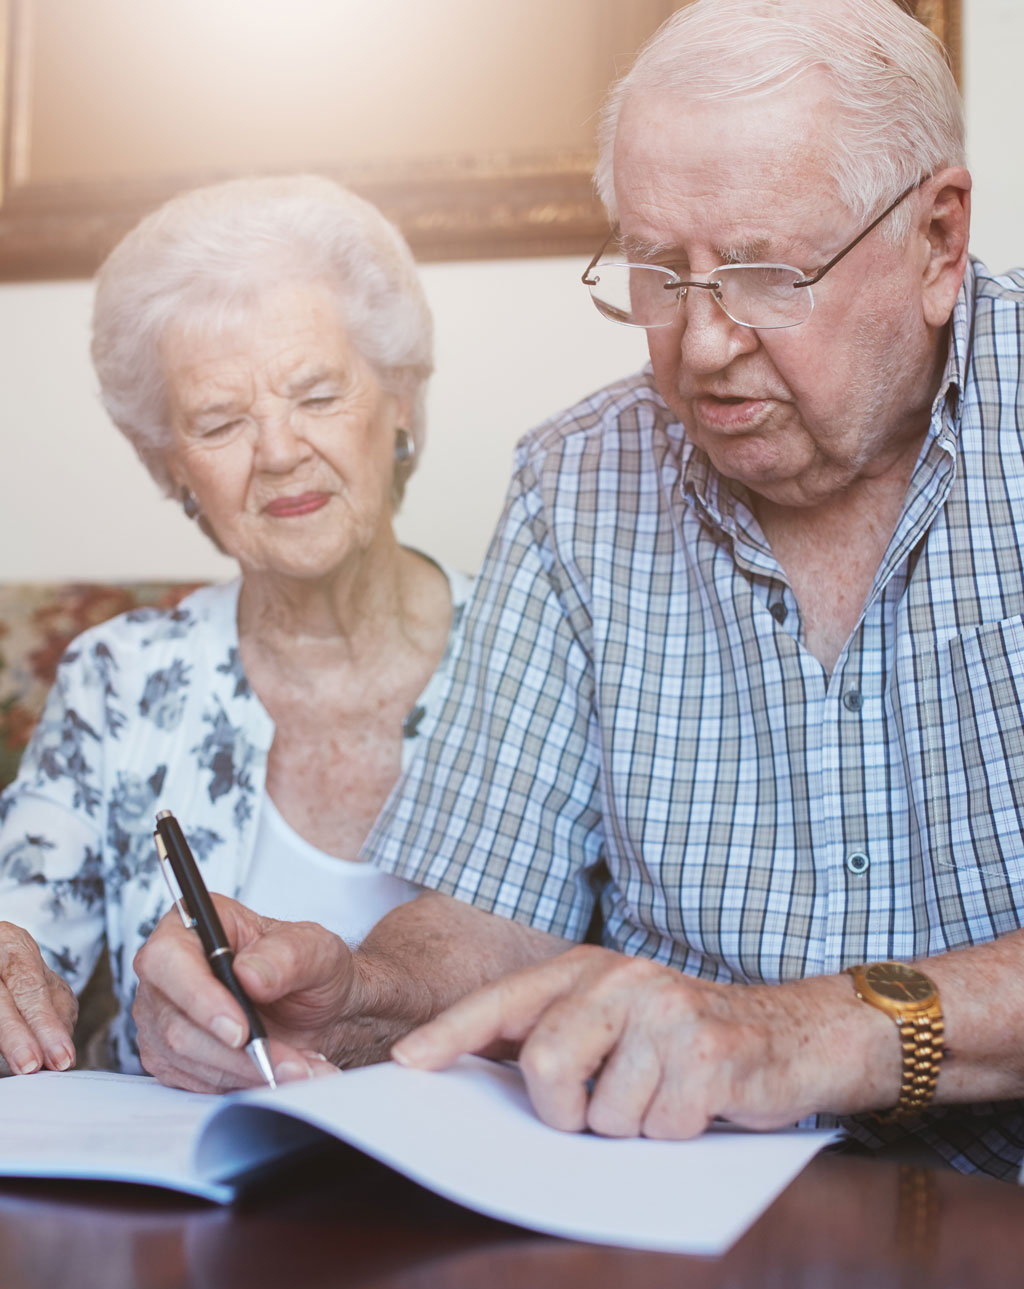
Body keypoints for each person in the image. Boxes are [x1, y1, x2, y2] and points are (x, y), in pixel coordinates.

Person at [133, 0, 1024, 1171]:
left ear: (938, 240)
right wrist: (349, 993)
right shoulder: (577, 482)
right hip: (673, 1248)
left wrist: (805, 1033)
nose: (701, 345)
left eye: (761, 273)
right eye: (659, 271)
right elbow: (488, 914)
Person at [0, 175, 470, 1079]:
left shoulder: (547, 647)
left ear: (399, 402)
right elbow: (26, 934)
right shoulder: (118, 678)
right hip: (195, 1200)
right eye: (220, 422)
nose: (281, 450)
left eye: (317, 394)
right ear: (170, 468)